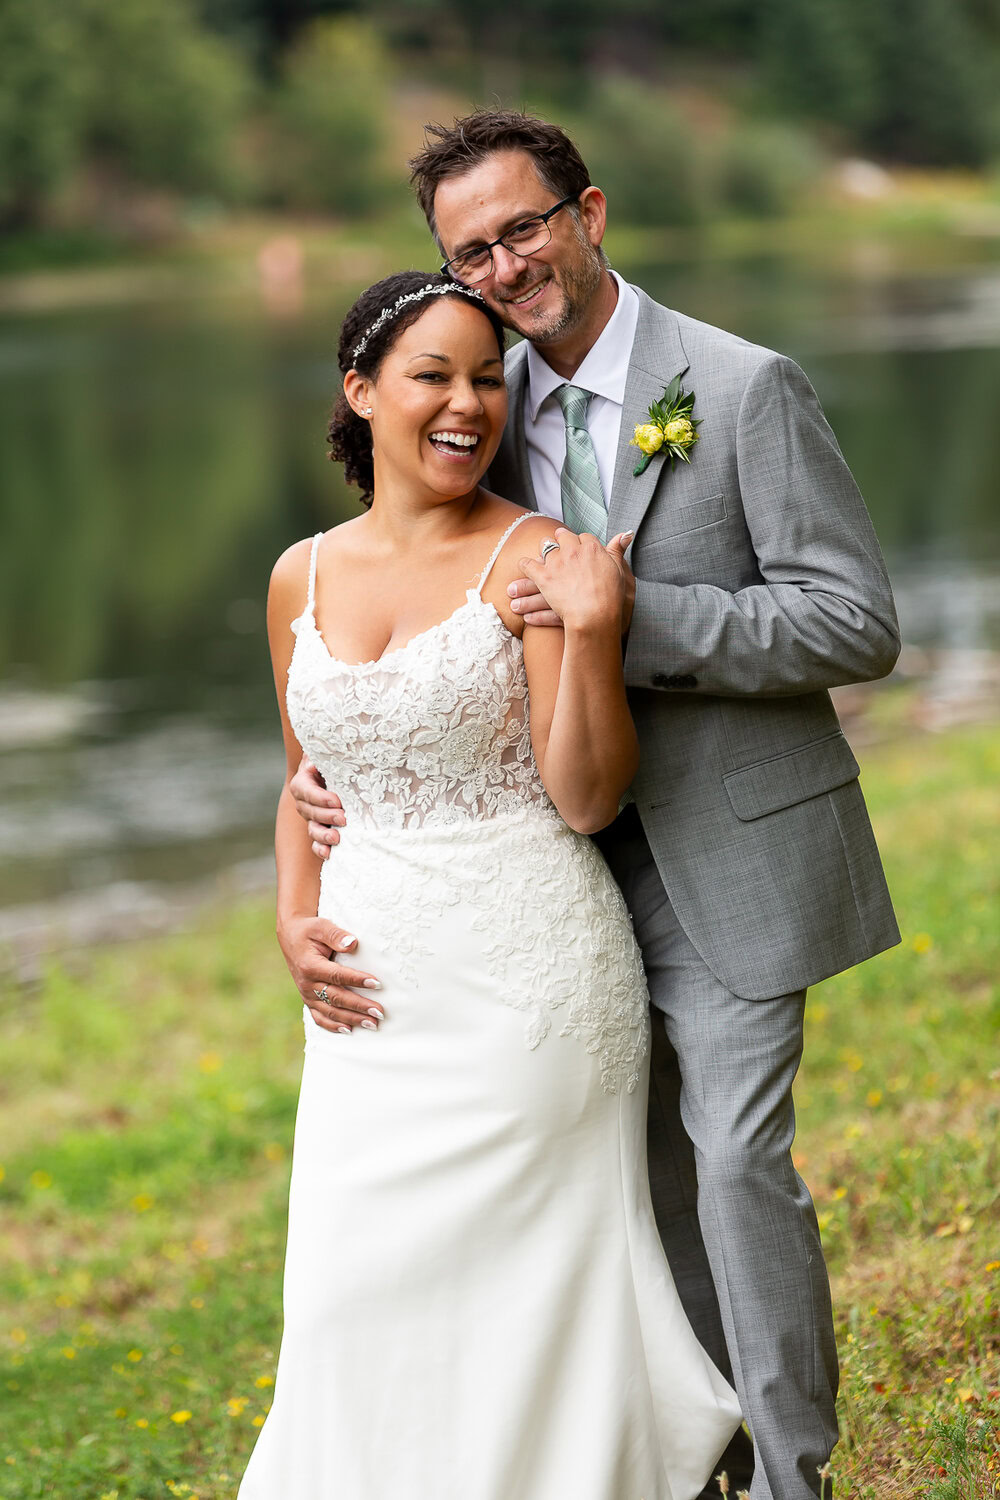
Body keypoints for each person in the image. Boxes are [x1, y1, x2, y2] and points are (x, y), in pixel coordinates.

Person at [286, 112, 902, 1500]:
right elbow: (430, 592)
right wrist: (351, 767)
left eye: (524, 227)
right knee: (625, 1188)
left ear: (590, 212)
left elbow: (856, 624)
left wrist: (629, 618)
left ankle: (798, 1478)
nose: (506, 265)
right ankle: (697, 1456)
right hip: (542, 876)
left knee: (737, 1163)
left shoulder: (742, 390)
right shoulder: (471, 404)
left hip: (722, 850)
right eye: (472, 249)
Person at [238, 268, 744, 1500]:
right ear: (360, 394)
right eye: (432, 376)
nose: (466, 403)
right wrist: (294, 921)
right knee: (353, 1288)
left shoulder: (537, 554)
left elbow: (586, 797)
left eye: (484, 377)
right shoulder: (297, 575)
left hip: (526, 991)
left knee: (516, 1298)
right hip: (369, 1014)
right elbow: (308, 780)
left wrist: (597, 629)